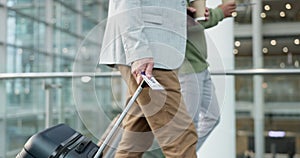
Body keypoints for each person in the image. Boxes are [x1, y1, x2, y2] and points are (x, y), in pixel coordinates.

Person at [99, 0, 198, 157]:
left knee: (137, 136)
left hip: (156, 50)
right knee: (180, 137)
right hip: (149, 54)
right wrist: (138, 51)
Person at [179, 1, 236, 150]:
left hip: (199, 65)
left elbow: (192, 19)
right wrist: (219, 13)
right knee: (190, 125)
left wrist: (208, 13)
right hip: (187, 68)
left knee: (212, 117)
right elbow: (183, 23)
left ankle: (183, 153)